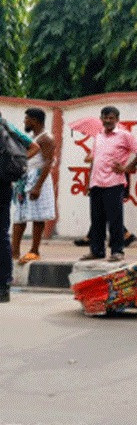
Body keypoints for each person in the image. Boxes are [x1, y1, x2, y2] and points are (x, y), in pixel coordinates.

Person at [81, 106, 137, 263]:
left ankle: (117, 251)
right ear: (101, 119)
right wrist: (89, 182)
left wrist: (127, 168)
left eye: (111, 118)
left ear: (117, 119)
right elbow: (95, 159)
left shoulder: (124, 135)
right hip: (96, 183)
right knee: (97, 219)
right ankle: (97, 251)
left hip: (114, 183)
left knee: (115, 219)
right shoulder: (98, 136)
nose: (108, 120)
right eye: (105, 118)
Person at [0, 114, 36, 302]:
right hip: (4, 185)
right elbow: (33, 146)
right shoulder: (6, 125)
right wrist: (15, 166)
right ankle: (4, 286)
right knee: (2, 235)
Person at [11, 109, 55, 264]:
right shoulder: (31, 138)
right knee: (19, 216)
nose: (25, 121)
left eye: (27, 119)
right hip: (25, 180)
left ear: (35, 121)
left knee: (38, 216)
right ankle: (14, 251)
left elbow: (48, 162)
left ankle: (34, 250)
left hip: (38, 179)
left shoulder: (47, 138)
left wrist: (38, 186)